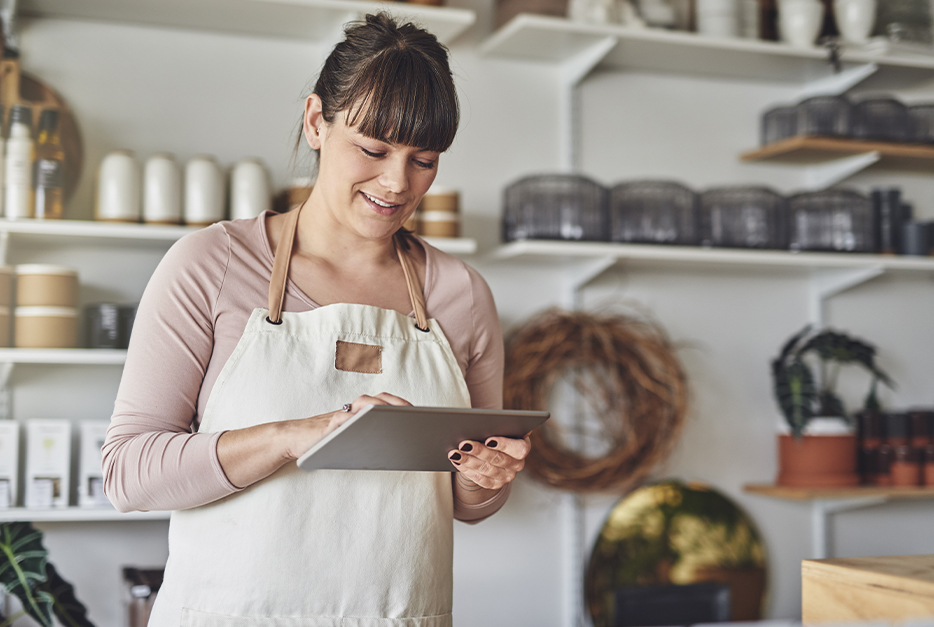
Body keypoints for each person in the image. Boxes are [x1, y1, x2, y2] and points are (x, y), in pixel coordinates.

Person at [102, 13, 530, 626]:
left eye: (424, 160)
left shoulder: (460, 295)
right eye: (373, 149)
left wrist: (486, 478)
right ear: (315, 122)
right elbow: (130, 474)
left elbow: (467, 503)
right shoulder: (214, 264)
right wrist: (294, 436)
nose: (396, 183)